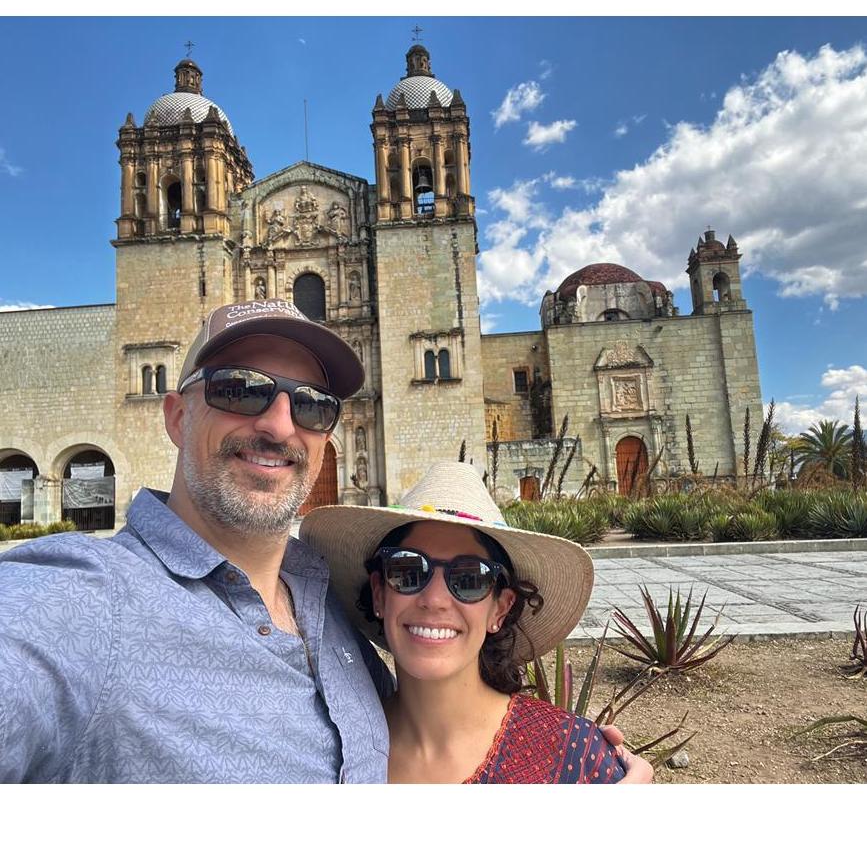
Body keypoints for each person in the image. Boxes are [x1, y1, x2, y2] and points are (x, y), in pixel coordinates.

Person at [0, 298, 649, 784]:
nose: (279, 425)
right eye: (239, 389)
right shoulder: (84, 599)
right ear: (175, 415)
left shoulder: (329, 607)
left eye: (312, 404)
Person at [300, 461, 650, 784]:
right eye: (408, 572)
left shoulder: (576, 757)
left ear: (500, 609)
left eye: (470, 579)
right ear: (379, 594)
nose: (435, 600)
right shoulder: (332, 750)